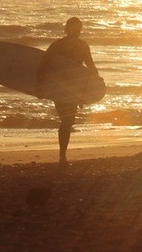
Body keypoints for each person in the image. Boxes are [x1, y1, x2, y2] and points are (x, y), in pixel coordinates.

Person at [36, 17, 99, 167]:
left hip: (74, 88)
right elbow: (43, 65)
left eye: (79, 28)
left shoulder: (83, 46)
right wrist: (39, 86)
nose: (77, 31)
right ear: (67, 29)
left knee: (68, 122)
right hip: (59, 87)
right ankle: (62, 157)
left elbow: (90, 66)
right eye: (74, 28)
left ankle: (62, 157)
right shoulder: (58, 45)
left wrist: (94, 85)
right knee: (66, 121)